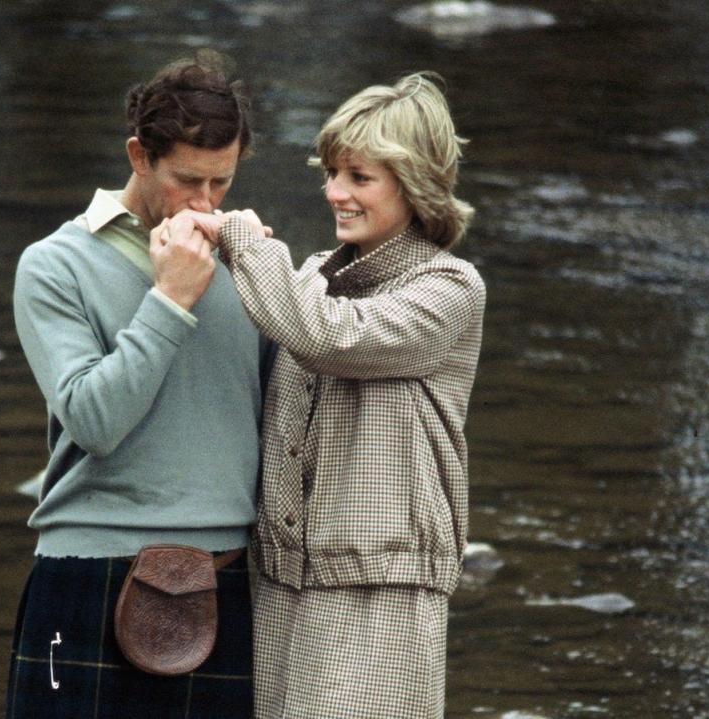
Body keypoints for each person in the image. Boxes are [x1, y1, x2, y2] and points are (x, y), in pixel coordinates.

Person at [167, 71, 486, 718]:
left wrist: (246, 245)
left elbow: (328, 338)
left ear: (417, 184)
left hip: (381, 587)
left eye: (359, 178)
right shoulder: (311, 275)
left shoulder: (449, 289)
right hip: (285, 578)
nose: (333, 192)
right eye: (332, 172)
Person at [6, 52, 270, 718]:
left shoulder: (248, 261)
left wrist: (276, 282)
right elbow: (94, 421)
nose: (206, 204)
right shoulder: (53, 265)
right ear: (138, 155)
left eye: (222, 181)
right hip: (89, 566)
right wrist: (172, 298)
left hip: (227, 569)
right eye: (188, 180)